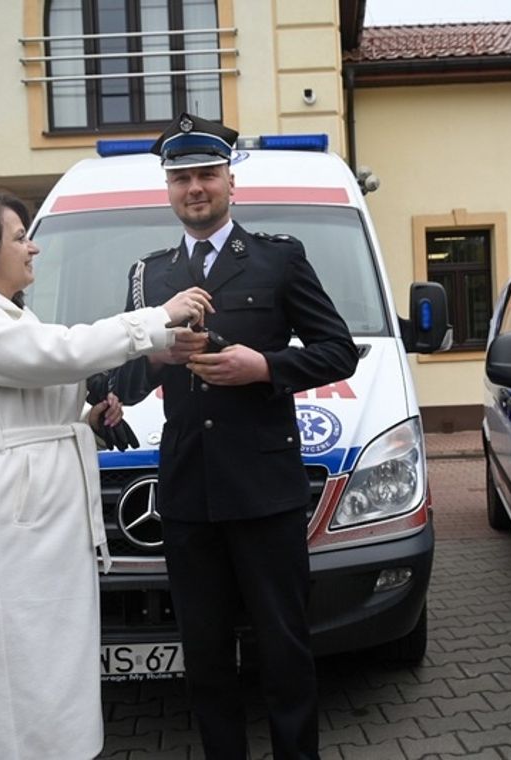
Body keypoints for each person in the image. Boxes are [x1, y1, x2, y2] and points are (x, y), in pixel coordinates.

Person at [0, 190, 210, 760]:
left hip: (34, 509)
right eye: (20, 236)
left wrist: (86, 419)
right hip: (9, 516)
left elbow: (32, 397)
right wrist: (156, 318)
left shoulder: (5, 316)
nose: (33, 246)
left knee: (48, 660)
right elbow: (62, 353)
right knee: (14, 663)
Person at [108, 112, 359, 759]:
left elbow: (339, 351)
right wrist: (157, 357)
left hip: (265, 490)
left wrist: (265, 367)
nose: (195, 188)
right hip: (189, 495)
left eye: (207, 175)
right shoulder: (148, 276)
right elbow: (129, 382)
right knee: (206, 655)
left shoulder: (278, 259)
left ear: (229, 183)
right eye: (182, 178)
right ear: (167, 189)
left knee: (284, 647)